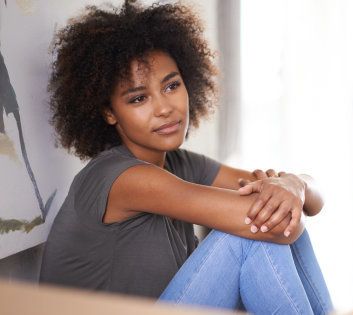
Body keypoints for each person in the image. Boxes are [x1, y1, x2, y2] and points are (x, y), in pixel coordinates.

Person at [39, 1, 333, 314]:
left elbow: (311, 201)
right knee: (253, 232)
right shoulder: (122, 178)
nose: (164, 107)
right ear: (110, 112)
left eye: (171, 86)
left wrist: (295, 185)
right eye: (138, 98)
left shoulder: (180, 164)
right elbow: (275, 225)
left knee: (272, 211)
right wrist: (287, 199)